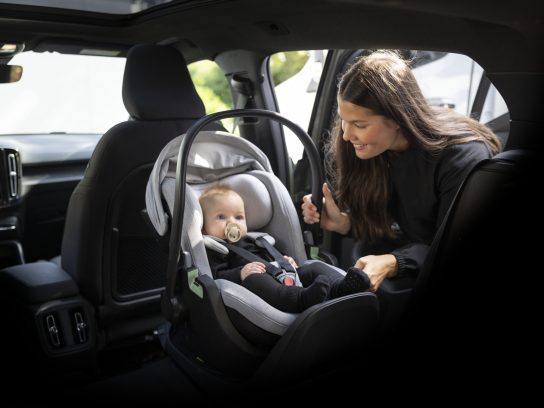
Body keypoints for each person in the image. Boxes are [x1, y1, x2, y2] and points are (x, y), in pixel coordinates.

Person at [301, 50, 501, 292]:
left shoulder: (460, 157)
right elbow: (392, 224)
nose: (346, 134)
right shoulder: (374, 151)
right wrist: (344, 223)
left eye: (360, 125)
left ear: (397, 118)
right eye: (344, 120)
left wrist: (395, 261)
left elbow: (456, 246)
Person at [199, 185, 370, 313]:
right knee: (255, 280)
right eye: (221, 217)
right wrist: (240, 274)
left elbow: (271, 254)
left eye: (239, 217)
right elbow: (216, 275)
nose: (232, 222)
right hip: (255, 285)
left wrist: (284, 260)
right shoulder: (215, 249)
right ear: (204, 227)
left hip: (282, 273)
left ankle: (340, 287)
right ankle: (300, 299)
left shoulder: (256, 239)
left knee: (314, 268)